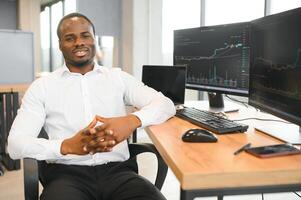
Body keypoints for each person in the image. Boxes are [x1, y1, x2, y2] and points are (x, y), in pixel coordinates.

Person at [7, 13, 175, 200]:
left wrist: (132, 120)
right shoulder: (42, 87)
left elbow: (166, 104)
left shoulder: (117, 77)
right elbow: (15, 144)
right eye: (70, 38)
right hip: (66, 176)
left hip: (119, 174)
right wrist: (65, 146)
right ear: (60, 45)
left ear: (94, 39)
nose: (79, 42)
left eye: (85, 35)